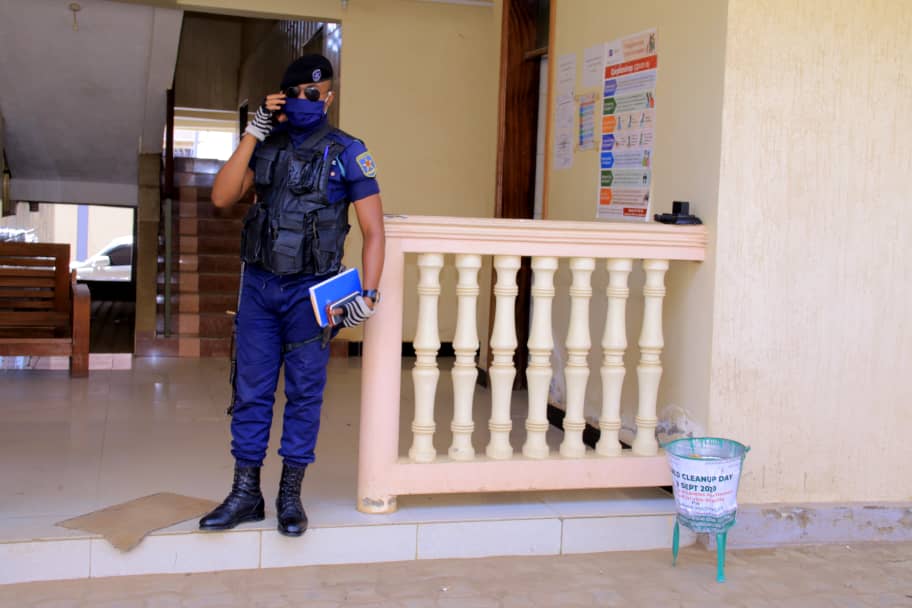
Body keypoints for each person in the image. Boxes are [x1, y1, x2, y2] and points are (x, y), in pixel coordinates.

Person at [199, 54, 385, 537]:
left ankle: (289, 496)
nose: (308, 101)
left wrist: (369, 293)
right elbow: (221, 197)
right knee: (251, 393)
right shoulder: (266, 145)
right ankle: (245, 495)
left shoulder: (348, 151)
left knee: (305, 396)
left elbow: (374, 230)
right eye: (297, 93)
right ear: (282, 97)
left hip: (312, 293)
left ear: (330, 97)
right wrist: (254, 130)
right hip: (259, 287)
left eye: (315, 94)